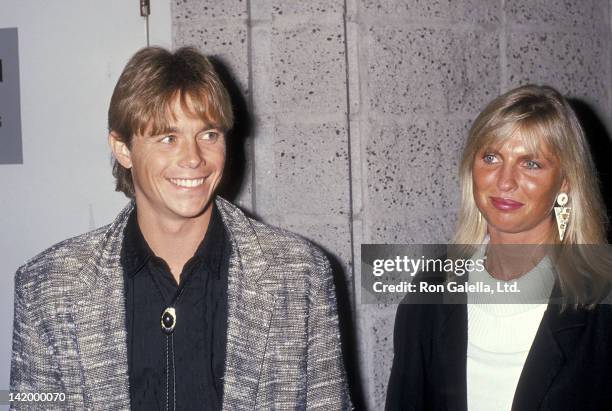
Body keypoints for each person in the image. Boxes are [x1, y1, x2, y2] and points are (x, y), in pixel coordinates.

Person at [10, 46, 352, 410]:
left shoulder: (300, 275)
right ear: (123, 148)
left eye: (208, 135)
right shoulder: (47, 288)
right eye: (168, 138)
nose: (193, 158)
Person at [386, 85, 612, 410]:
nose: (505, 180)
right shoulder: (430, 290)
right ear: (471, 169)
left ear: (565, 181)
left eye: (531, 163)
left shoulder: (602, 299)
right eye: (491, 157)